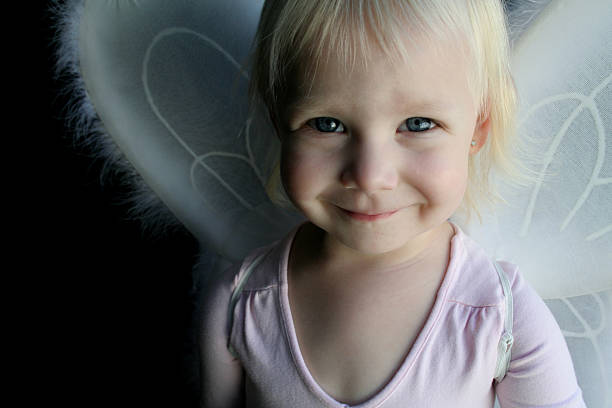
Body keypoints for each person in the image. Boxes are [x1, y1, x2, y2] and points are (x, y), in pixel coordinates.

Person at [198, 0, 586, 406]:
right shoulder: (239, 303)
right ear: (279, 121)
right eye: (327, 124)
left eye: (418, 124)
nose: (369, 175)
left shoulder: (499, 316)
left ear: (479, 127)